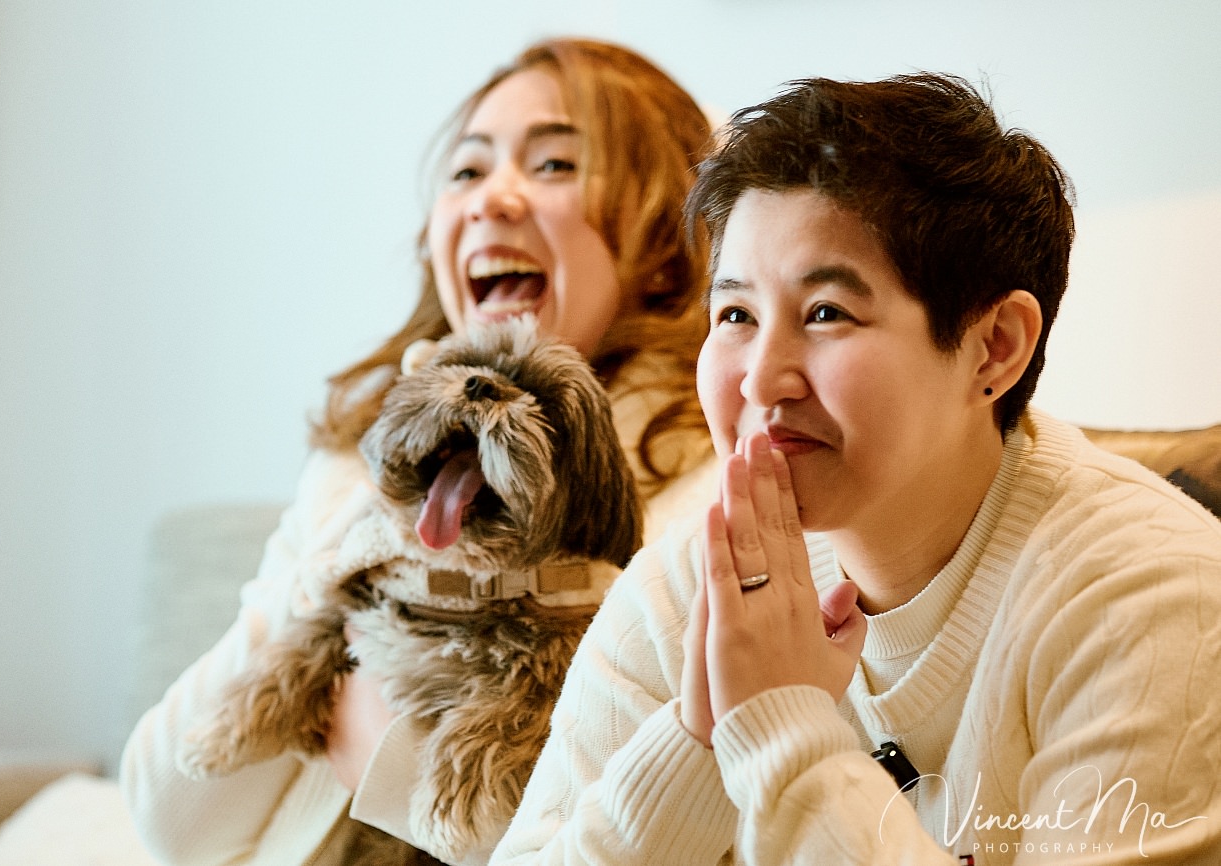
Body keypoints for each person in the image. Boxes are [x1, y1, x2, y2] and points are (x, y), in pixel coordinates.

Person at [490, 73, 1221, 865]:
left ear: (994, 347)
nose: (761, 379)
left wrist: (783, 727)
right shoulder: (698, 588)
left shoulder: (1151, 598)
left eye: (826, 314)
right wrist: (697, 738)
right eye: (735, 314)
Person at [120, 38, 718, 866]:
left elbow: (642, 840)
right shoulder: (350, 471)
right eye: (467, 172)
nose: (491, 198)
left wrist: (389, 762)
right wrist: (372, 530)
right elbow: (170, 817)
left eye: (552, 164)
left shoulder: (709, 500)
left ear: (663, 236)